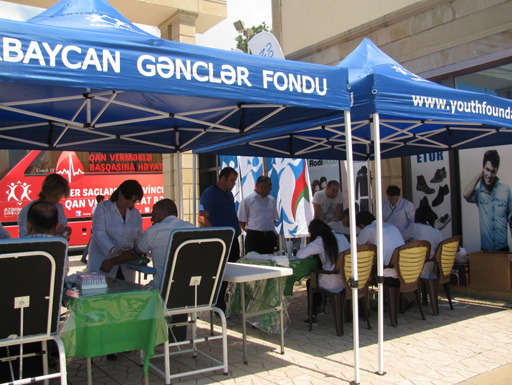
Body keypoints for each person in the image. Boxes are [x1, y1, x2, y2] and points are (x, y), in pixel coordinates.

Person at [100, 198, 195, 290]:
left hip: (163, 290)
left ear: (164, 213)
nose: (151, 219)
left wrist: (111, 262)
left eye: (154, 214)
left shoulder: (154, 231)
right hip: (192, 289)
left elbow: (133, 253)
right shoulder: (192, 228)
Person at [199, 167, 241, 312]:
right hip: (221, 241)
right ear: (222, 178)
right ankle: (218, 303)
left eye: (235, 180)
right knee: (220, 273)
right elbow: (202, 218)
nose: (234, 183)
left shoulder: (229, 193)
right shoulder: (209, 193)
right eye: (232, 180)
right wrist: (217, 236)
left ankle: (230, 302)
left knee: (233, 271)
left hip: (233, 239)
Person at [296, 219, 351, 326]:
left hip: (332, 281)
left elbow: (300, 255)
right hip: (346, 279)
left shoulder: (321, 241)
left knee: (311, 282)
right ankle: (320, 307)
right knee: (317, 278)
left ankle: (313, 315)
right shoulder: (342, 237)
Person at [87, 180, 144, 282]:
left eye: (134, 201)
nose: (130, 203)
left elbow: (139, 235)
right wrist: (112, 249)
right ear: (120, 193)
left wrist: (140, 248)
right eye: (128, 199)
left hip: (125, 263)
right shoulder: (103, 208)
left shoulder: (136, 214)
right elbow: (99, 233)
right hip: (103, 260)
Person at [463, 149, 512, 251]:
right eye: (487, 170)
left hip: (503, 250)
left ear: (497, 170)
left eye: (493, 171)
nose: (489, 175)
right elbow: (466, 194)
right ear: (483, 168)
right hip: (486, 252)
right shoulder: (479, 193)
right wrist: (479, 175)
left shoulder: (506, 190)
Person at [18, 173, 71, 239]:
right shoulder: (29, 209)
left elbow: (64, 235)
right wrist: (52, 233)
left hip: (57, 246)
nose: (57, 200)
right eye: (54, 196)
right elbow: (24, 237)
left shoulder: (59, 207)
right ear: (46, 192)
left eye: (60, 196)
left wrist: (66, 233)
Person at [356, 210, 405, 280]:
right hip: (403, 265)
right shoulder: (391, 226)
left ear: (361, 225)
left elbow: (357, 248)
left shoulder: (368, 229)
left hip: (386, 267)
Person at [238, 175, 278, 254]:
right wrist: (253, 232)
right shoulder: (247, 201)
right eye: (269, 185)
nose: (271, 188)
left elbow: (273, 219)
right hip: (254, 238)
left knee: (272, 261)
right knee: (254, 263)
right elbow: (241, 222)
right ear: (261, 186)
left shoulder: (272, 200)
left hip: (269, 236)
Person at [403, 206, 443, 278]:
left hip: (414, 266)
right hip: (429, 267)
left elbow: (402, 237)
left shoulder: (415, 227)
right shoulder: (437, 232)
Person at [80, 194, 105, 264]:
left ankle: (86, 257)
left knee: (92, 243)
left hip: (94, 228)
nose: (104, 201)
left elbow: (92, 217)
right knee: (92, 243)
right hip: (97, 229)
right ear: (100, 200)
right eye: (103, 199)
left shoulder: (94, 207)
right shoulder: (100, 208)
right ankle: (84, 257)